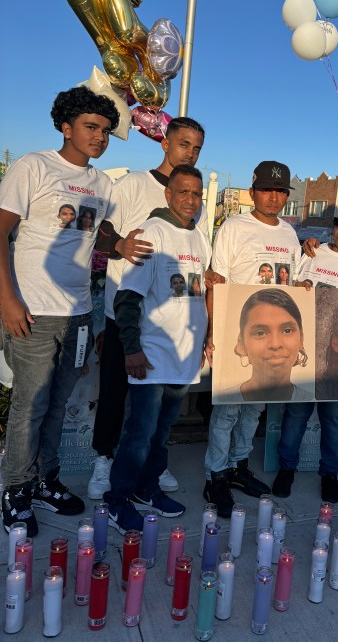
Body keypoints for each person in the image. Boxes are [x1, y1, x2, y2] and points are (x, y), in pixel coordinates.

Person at [0, 86, 119, 536]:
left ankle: (45, 481)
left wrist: (118, 244)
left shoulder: (103, 184)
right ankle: (15, 492)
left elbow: (96, 236)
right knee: (28, 405)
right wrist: (7, 299)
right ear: (66, 127)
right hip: (31, 308)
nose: (100, 137)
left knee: (58, 404)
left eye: (106, 130)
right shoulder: (33, 167)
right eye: (91, 127)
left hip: (79, 312)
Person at [87, 117, 208, 500]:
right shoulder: (134, 184)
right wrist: (120, 245)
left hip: (167, 323)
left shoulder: (195, 207)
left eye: (196, 147)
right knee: (115, 395)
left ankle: (149, 467)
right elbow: (98, 232)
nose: (189, 151)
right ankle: (104, 460)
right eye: (183, 143)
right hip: (124, 314)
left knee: (153, 411)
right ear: (165, 143)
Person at [104, 165, 212, 533]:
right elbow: (127, 299)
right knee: (140, 432)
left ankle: (147, 490)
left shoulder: (200, 237)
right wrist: (131, 348)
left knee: (162, 430)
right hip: (151, 355)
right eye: (183, 192)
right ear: (168, 194)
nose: (190, 200)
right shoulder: (152, 232)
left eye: (196, 194)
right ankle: (117, 500)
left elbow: (197, 295)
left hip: (183, 357)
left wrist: (203, 340)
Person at [205, 160, 302, 517]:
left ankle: (237, 466)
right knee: (229, 408)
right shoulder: (233, 226)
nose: (274, 197)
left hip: (274, 337)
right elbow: (218, 281)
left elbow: (294, 285)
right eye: (267, 190)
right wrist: (214, 331)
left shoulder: (289, 233)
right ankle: (215, 474)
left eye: (280, 191)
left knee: (255, 408)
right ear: (253, 192)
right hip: (240, 331)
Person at [272, 205, 338, 503]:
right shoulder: (311, 253)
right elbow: (289, 292)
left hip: (336, 358)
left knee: (334, 418)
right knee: (296, 414)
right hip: (304, 350)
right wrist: (298, 287)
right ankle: (286, 468)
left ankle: (329, 473)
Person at [218, 288, 311, 403]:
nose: (275, 344)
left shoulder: (311, 402)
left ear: (301, 339)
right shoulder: (224, 400)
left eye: (287, 330)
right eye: (260, 333)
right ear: (241, 344)